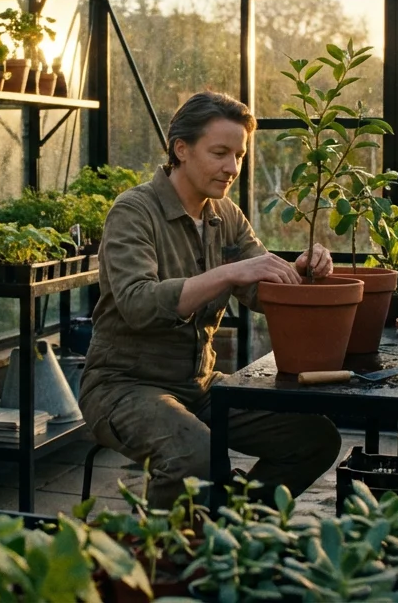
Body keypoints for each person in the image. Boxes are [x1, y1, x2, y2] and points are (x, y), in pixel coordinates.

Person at [78, 91, 343, 508]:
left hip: (200, 387)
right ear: (180, 149)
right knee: (195, 454)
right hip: (124, 387)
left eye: (238, 155)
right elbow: (137, 304)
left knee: (314, 438)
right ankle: (166, 562)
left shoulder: (226, 216)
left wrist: (302, 271)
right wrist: (228, 272)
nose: (232, 167)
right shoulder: (134, 212)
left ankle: (234, 526)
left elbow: (258, 288)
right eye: (220, 153)